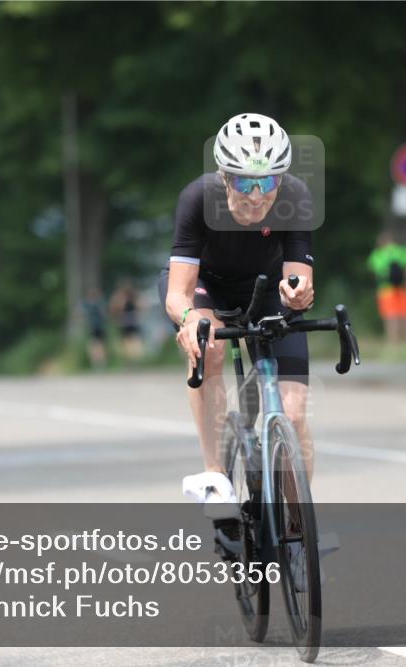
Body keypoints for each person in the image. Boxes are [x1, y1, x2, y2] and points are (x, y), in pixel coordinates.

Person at [158, 112, 314, 515]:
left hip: (265, 287)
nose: (258, 195)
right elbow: (178, 293)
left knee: (294, 413)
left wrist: (297, 294)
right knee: (209, 346)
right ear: (225, 177)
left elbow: (298, 278)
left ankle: (298, 526)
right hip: (205, 285)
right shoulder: (198, 198)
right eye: (245, 182)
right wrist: (190, 319)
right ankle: (215, 475)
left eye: (269, 181)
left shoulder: (295, 196)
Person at [367, 232, 406, 346]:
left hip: (386, 289)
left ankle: (393, 343)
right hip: (403, 288)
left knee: (391, 317)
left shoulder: (377, 254)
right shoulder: (401, 251)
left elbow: (374, 271)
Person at [109, 279, 144, 362]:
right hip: (125, 321)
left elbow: (141, 306)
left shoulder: (134, 296)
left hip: (132, 320)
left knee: (134, 340)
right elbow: (114, 309)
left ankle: (134, 358)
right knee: (127, 341)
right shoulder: (119, 297)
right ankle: (130, 358)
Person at [84, 288, 108, 369]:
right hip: (95, 328)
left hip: (97, 328)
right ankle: (98, 363)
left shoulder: (91, 304)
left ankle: (99, 363)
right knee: (97, 346)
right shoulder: (98, 303)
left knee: (97, 346)